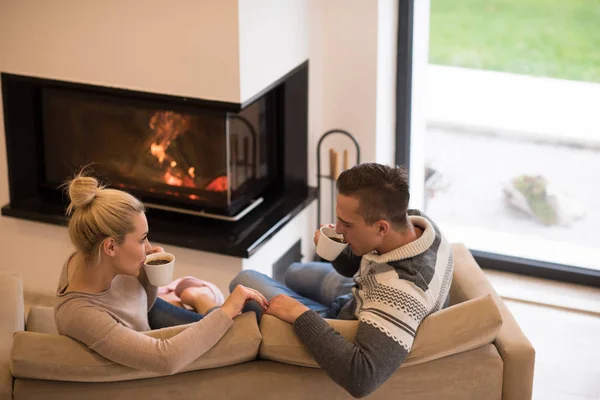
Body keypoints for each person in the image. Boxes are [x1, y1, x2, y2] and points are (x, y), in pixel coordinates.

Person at [230, 163, 454, 398]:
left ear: (381, 228)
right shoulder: (419, 224)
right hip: (359, 293)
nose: (338, 229)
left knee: (244, 280)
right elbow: (361, 263)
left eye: (347, 224)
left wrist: (300, 314)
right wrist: (336, 250)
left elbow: (361, 378)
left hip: (348, 317)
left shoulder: (400, 292)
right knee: (294, 271)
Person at [54, 172, 269, 374]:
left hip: (148, 314)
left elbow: (143, 306)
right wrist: (228, 308)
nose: (148, 248)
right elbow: (166, 358)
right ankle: (200, 299)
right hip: (153, 347)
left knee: (248, 314)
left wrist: (148, 276)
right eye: (141, 239)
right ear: (110, 247)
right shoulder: (80, 316)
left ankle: (197, 298)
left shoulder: (91, 255)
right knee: (244, 328)